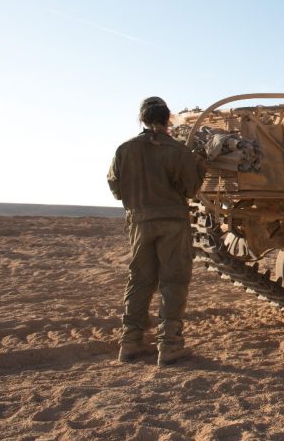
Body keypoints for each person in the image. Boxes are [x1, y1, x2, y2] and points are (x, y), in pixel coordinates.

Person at [107, 96, 207, 366]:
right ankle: (170, 345)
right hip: (172, 223)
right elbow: (190, 188)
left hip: (139, 222)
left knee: (140, 280)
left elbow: (116, 189)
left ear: (142, 119)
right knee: (173, 281)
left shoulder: (124, 150)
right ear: (168, 118)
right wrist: (200, 164)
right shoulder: (178, 151)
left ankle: (130, 342)